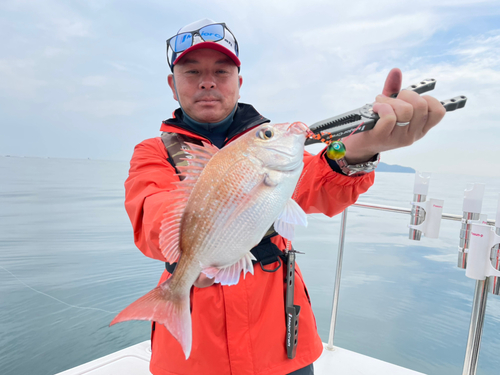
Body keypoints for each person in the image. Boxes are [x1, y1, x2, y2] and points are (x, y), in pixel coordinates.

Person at [123, 19, 446, 375]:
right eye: (192, 71)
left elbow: (320, 183)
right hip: (194, 358)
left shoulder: (270, 149)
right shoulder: (153, 152)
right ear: (172, 84)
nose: (208, 81)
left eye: (222, 71)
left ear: (239, 82)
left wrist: (360, 151)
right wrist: (200, 244)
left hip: (281, 343)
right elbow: (151, 213)